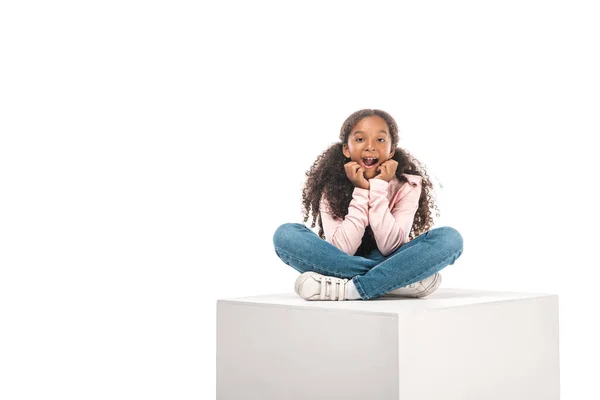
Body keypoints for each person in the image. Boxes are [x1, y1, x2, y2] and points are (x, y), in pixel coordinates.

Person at [272, 109, 463, 301]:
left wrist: (379, 187)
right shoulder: (330, 185)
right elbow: (343, 250)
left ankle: (351, 289)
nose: (370, 147)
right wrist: (361, 190)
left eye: (380, 140)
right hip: (345, 260)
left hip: (390, 258)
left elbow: (390, 246)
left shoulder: (408, 185)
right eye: (360, 139)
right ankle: (397, 280)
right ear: (346, 149)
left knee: (450, 239)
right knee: (286, 234)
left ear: (391, 150)